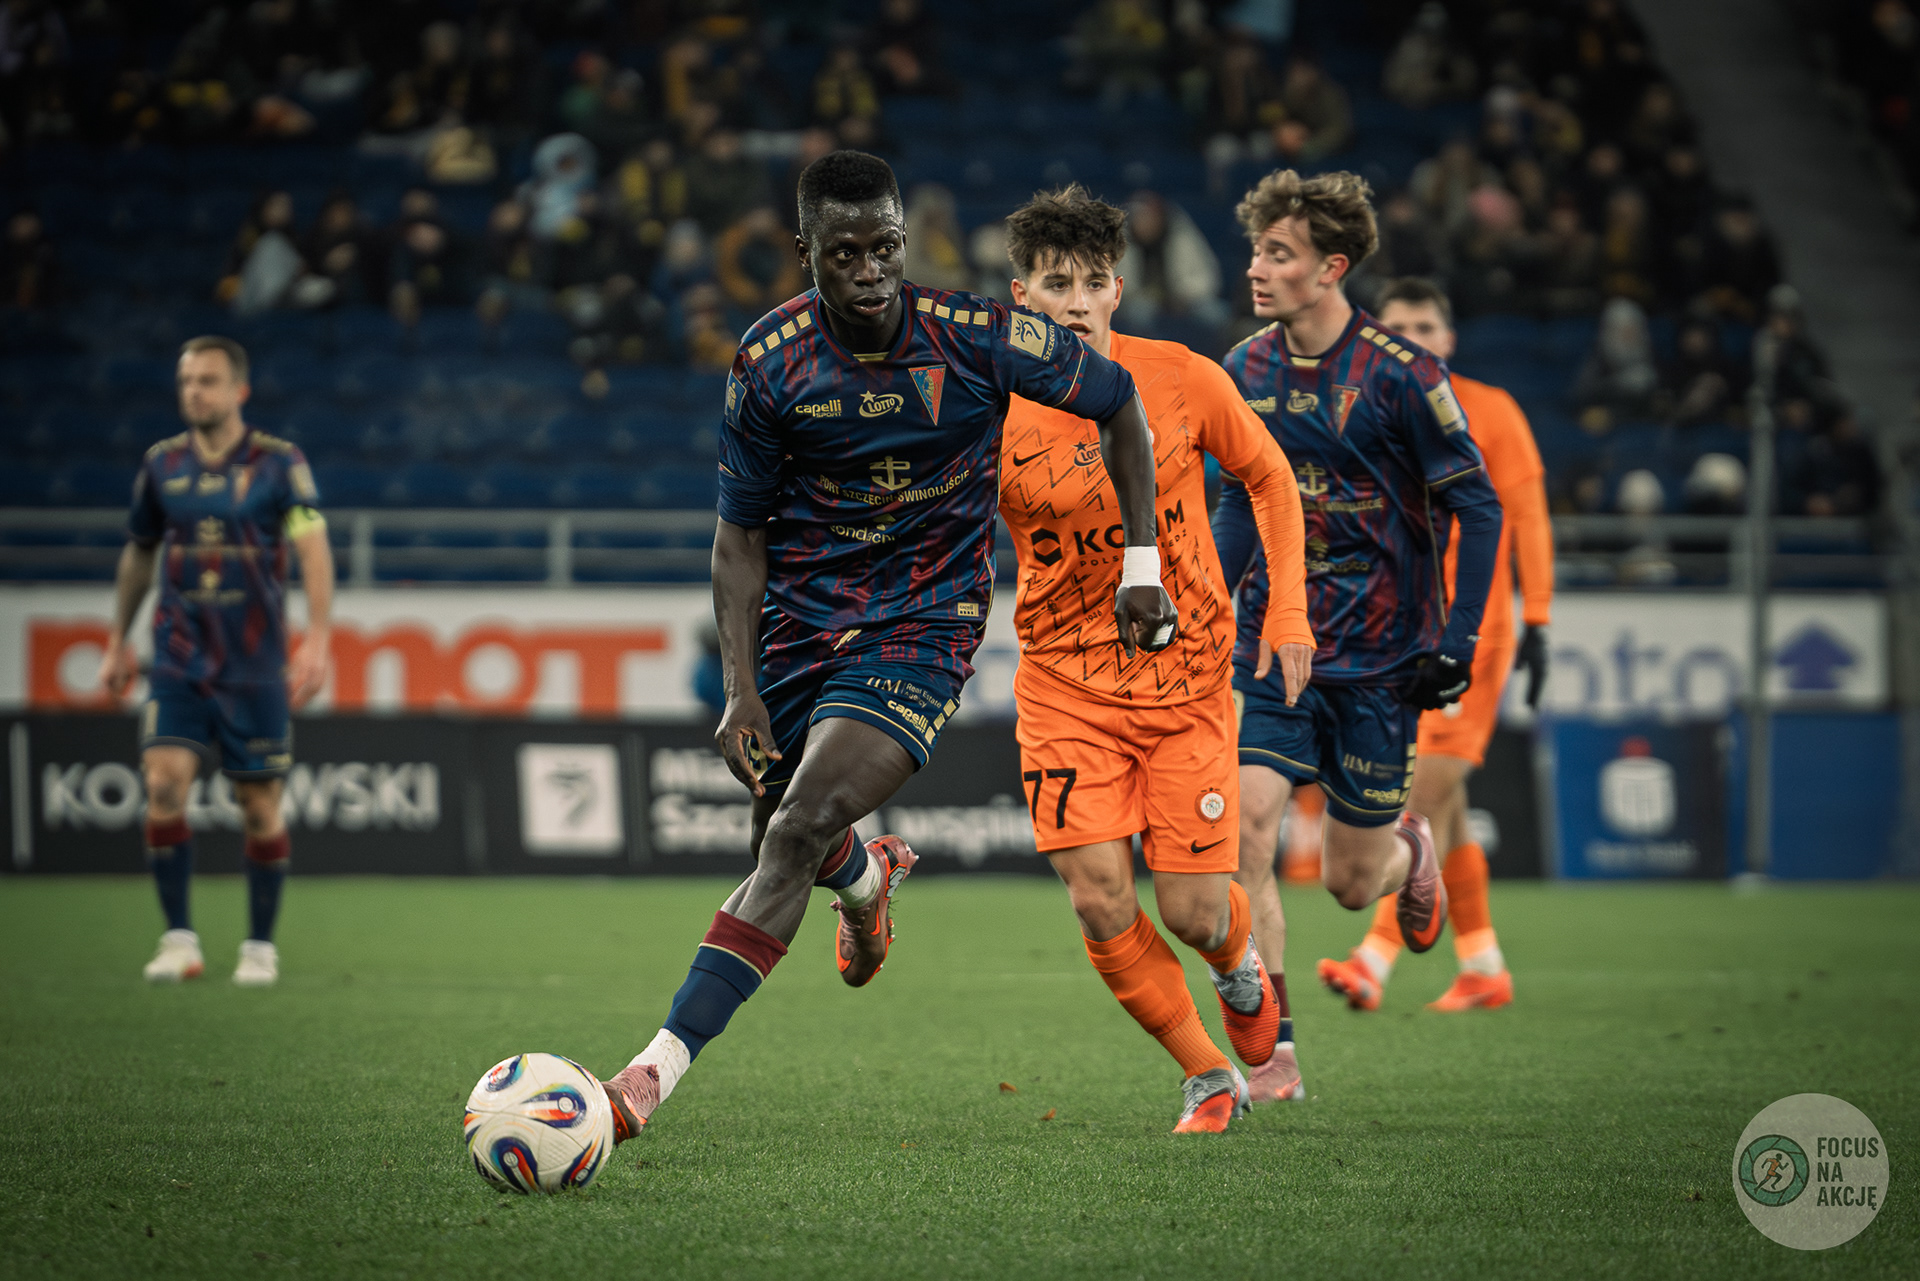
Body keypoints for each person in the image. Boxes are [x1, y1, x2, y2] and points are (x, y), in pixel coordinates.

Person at [595, 151, 1173, 1143]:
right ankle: (865, 881)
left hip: (924, 621)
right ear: (806, 251)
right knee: (785, 833)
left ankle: (647, 1075)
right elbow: (739, 540)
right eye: (845, 253)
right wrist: (740, 689)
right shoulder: (769, 360)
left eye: (886, 248)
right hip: (800, 622)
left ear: (905, 241)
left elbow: (1118, 402)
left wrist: (1142, 563)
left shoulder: (980, 335)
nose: (869, 271)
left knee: (794, 828)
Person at [997, 187, 1315, 1133]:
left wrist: (1287, 612)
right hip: (1063, 683)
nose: (1078, 302)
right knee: (1099, 899)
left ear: (1118, 290)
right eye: (1057, 284)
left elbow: (1270, 477)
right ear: (1022, 297)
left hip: (1187, 680)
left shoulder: (1181, 376)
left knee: (1193, 911)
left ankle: (1238, 966)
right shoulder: (986, 406)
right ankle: (1207, 1073)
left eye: (1094, 282)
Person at [1214, 170, 1503, 1002]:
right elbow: (1237, 500)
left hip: (1382, 657)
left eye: (1279, 254)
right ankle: (1272, 1046)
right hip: (1274, 645)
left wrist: (1459, 643)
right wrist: (1209, 602)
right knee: (1247, 832)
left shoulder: (1406, 376)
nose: (1257, 268)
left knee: (1349, 881)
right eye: (1256, 251)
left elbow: (1478, 508)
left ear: (1331, 268)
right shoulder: (1244, 368)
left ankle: (1410, 852)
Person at [1316, 279, 1551, 1013]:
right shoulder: (1360, 408)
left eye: (1425, 326)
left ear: (1448, 339)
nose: (1412, 338)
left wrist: (1539, 619)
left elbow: (1527, 517)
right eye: (1398, 326)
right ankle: (1483, 964)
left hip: (1468, 637)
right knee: (1444, 804)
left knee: (1415, 801)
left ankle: (1374, 960)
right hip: (1394, 630)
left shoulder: (1491, 410)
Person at [96, 337, 335, 988]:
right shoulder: (161, 465)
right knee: (163, 785)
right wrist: (118, 637)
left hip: (254, 663)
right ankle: (179, 940)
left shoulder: (280, 464)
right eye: (186, 381)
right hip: (178, 655)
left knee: (258, 806)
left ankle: (259, 947)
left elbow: (313, 548)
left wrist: (317, 637)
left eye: (207, 380)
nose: (194, 392)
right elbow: (140, 551)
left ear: (239, 390)